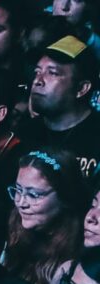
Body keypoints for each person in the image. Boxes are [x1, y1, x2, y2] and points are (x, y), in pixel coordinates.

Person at [5, 148, 87, 284]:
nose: (21, 203)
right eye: (18, 190)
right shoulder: (14, 222)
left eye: (33, 194)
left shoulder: (79, 249)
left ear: (64, 197)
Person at [20, 35, 100, 178]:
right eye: (37, 72)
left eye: (52, 73)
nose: (38, 81)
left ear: (81, 88)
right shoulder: (24, 133)